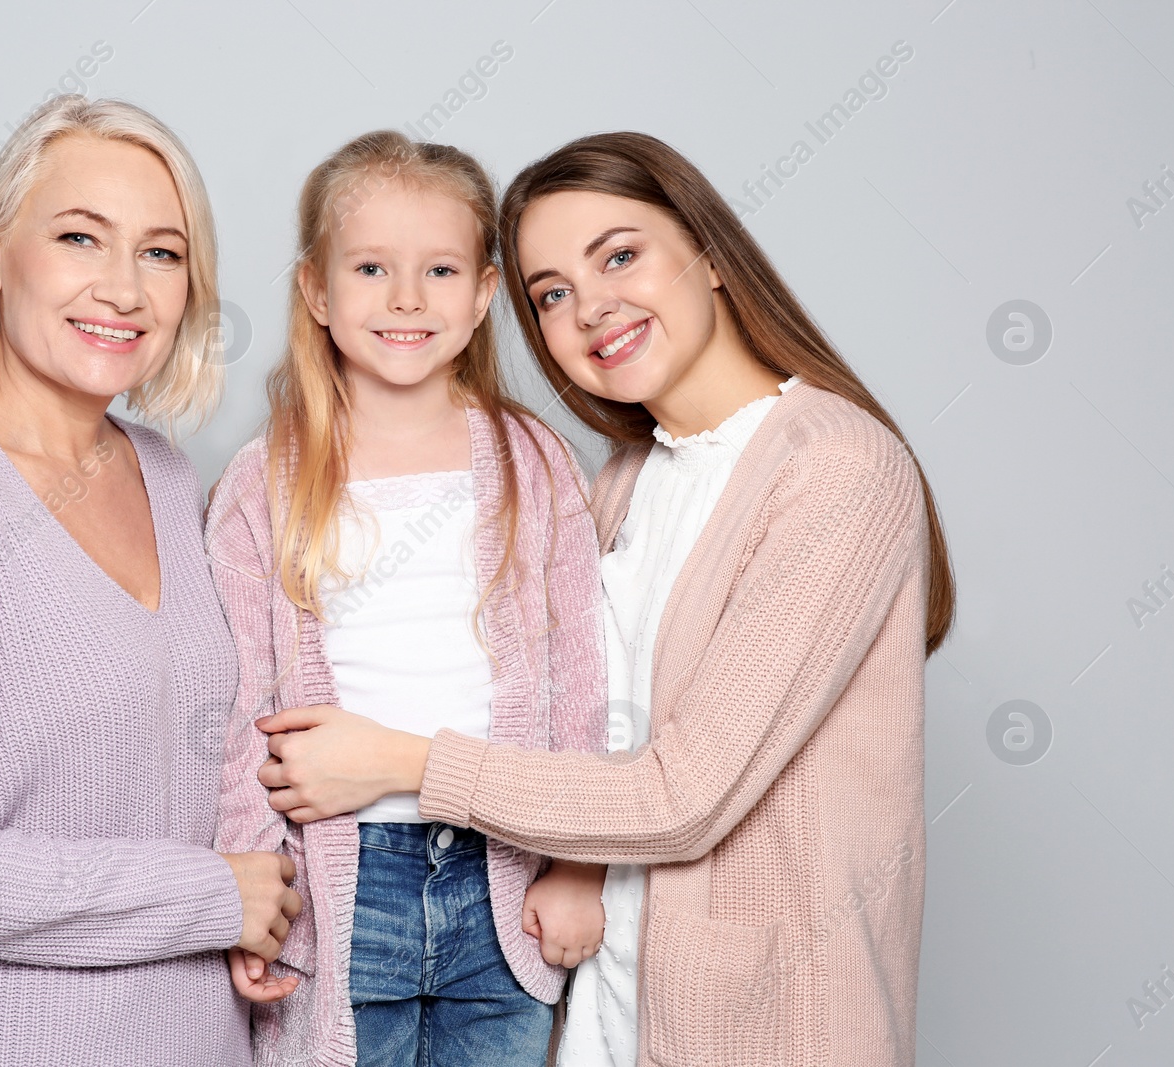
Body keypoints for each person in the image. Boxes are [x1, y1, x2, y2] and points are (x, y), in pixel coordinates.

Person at [254, 131, 956, 1067]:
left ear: (709, 256)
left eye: (620, 255)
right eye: (554, 292)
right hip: (610, 1009)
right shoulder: (631, 477)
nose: (592, 309)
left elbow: (683, 796)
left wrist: (400, 761)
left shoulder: (835, 468)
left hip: (764, 1026)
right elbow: (580, 710)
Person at [0, 95, 300, 1066]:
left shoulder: (168, 475)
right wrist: (211, 895)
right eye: (81, 237)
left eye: (161, 253)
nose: (123, 288)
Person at [206, 130, 610, 1066]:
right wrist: (246, 886)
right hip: (337, 882)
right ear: (315, 288)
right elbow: (234, 709)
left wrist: (581, 862)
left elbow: (584, 678)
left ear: (482, 294)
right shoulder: (263, 483)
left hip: (502, 874)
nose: (405, 299)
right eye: (372, 267)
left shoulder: (532, 464)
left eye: (438, 270)